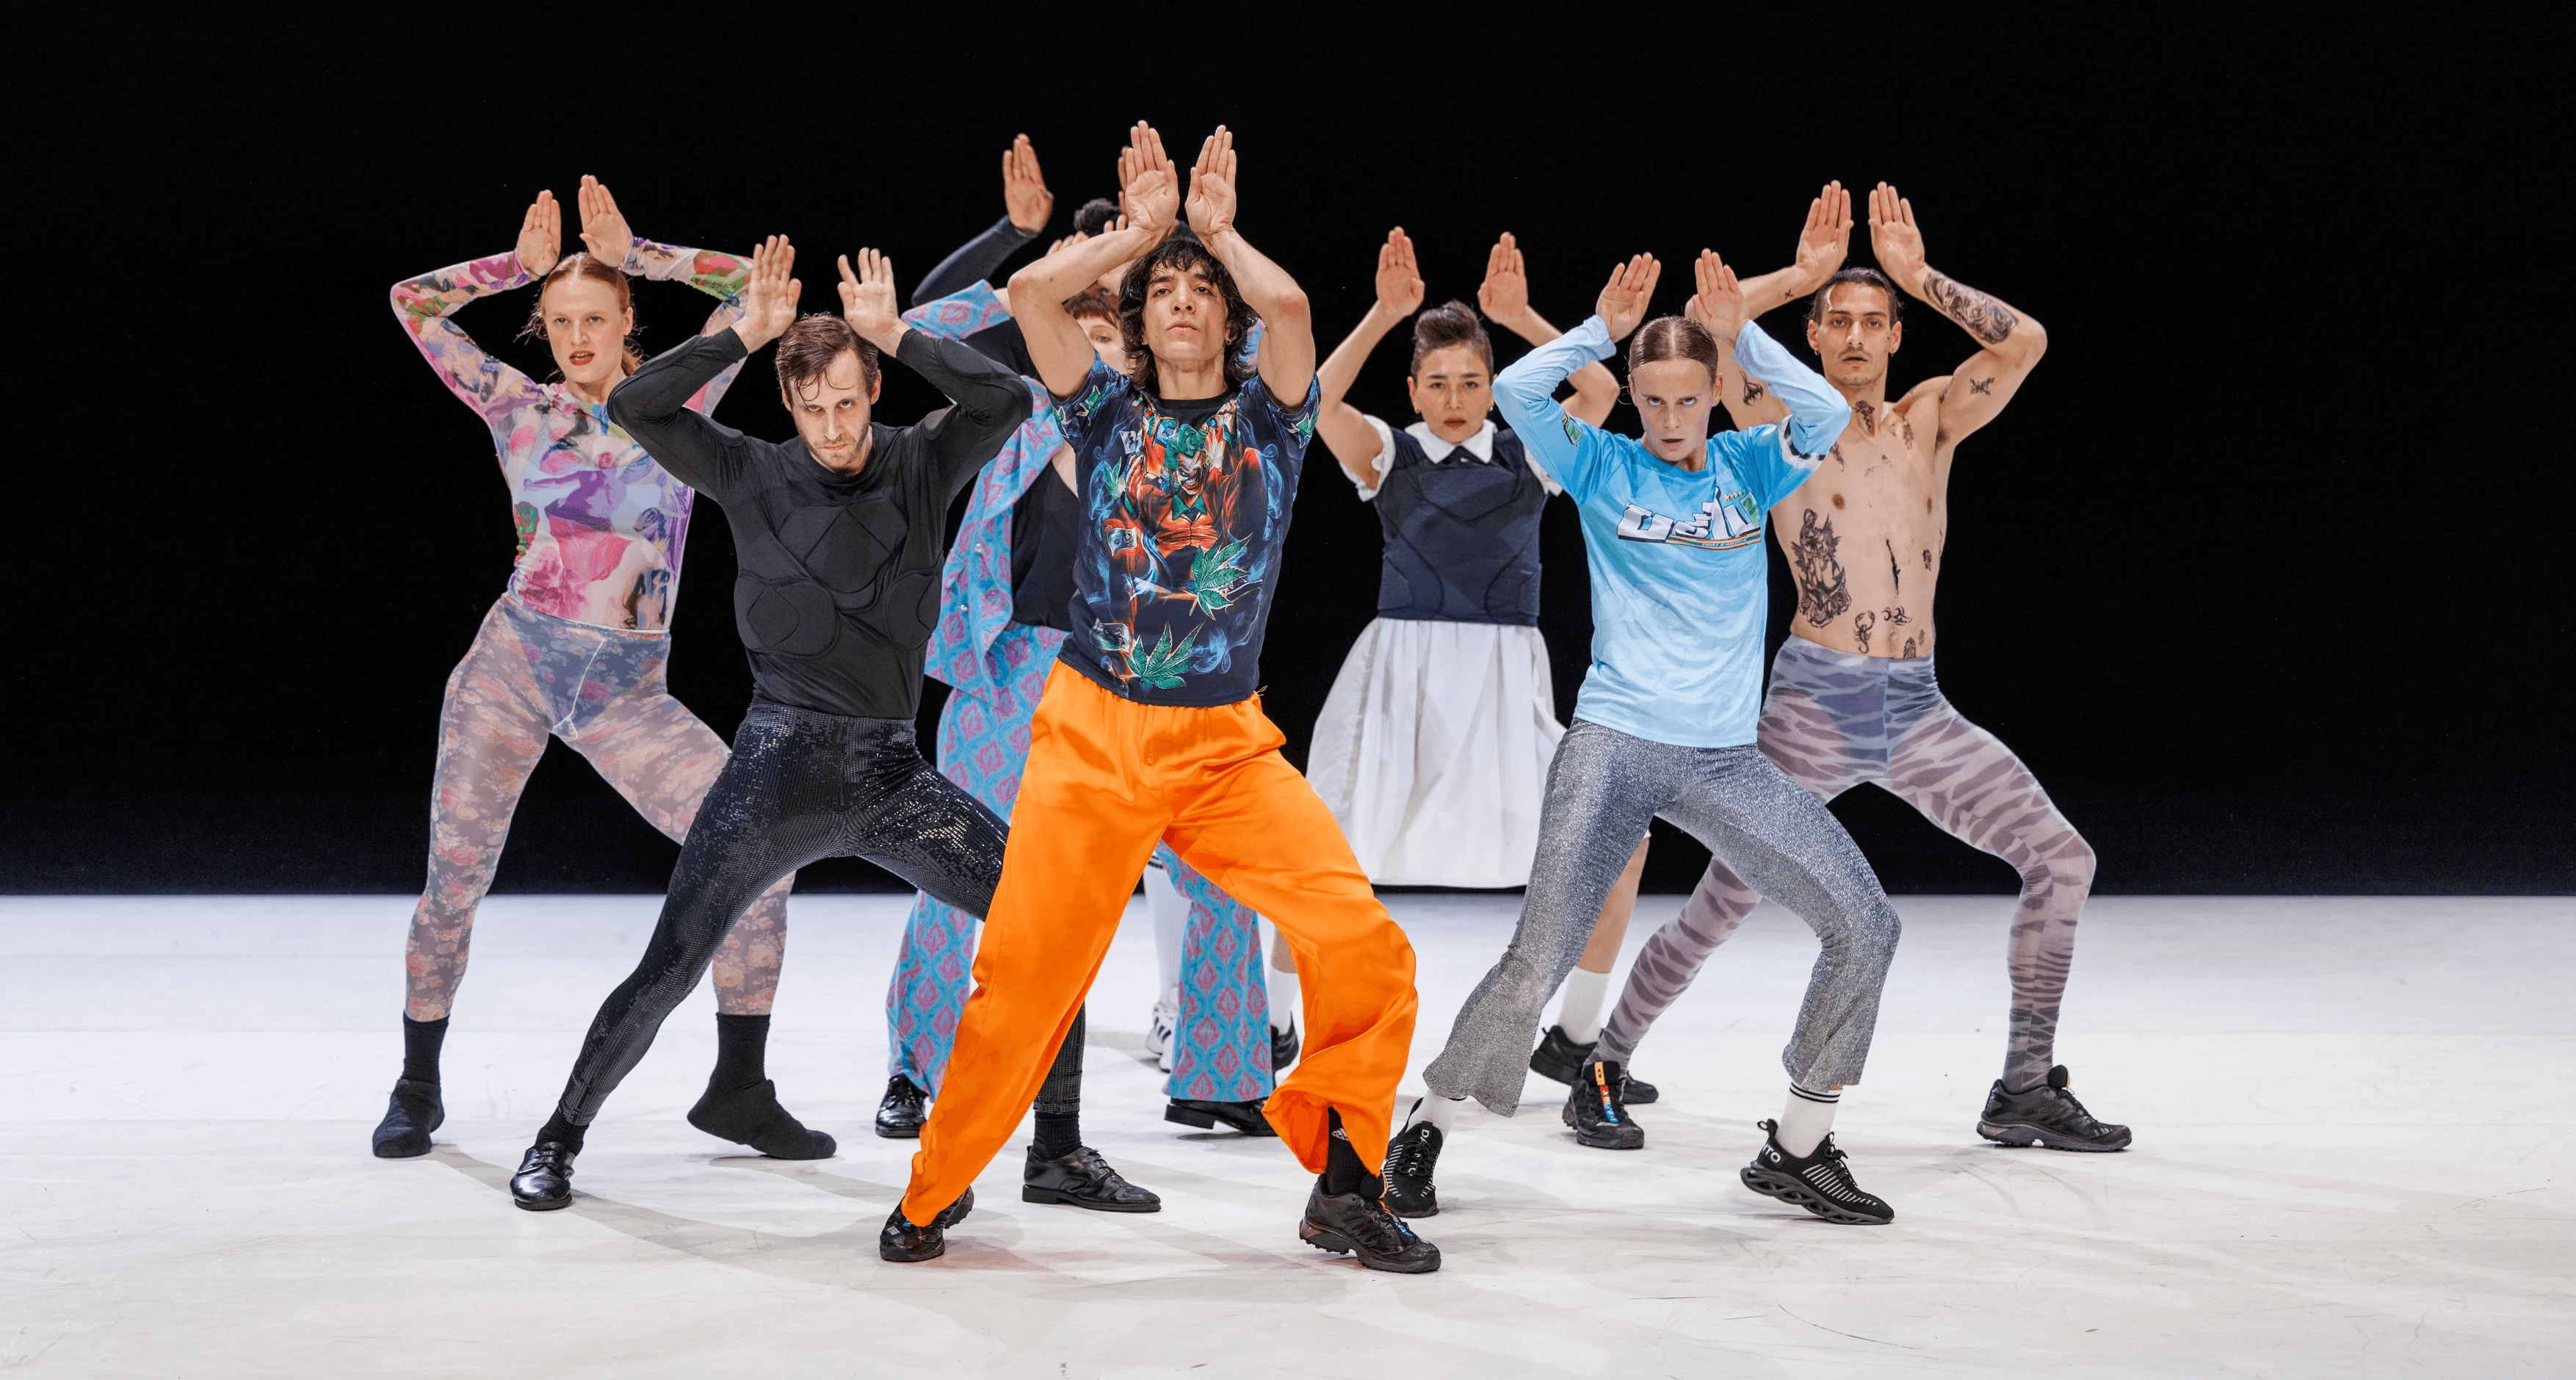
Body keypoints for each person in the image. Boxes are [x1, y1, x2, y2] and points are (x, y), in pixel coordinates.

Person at [882, 125, 1436, 1274]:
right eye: (1164, 290)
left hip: (1224, 746)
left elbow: (1294, 312)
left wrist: (1217, 235)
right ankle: (933, 1188)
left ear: (1227, 317)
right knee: (1022, 981)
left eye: (1202, 291)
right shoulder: (1100, 411)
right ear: (1138, 318)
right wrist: (1136, 235)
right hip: (1091, 734)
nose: (1183, 300)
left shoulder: (1272, 422)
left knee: (1363, 942)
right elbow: (1032, 296)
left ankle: (1347, 1185)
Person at [504, 239, 1038, 1210]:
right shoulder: (750, 470)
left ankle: (1020, 1147)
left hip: (892, 777)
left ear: (872, 389)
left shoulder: (923, 461)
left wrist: (899, 333)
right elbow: (635, 406)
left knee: (1042, 922)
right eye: (812, 407)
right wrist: (741, 335)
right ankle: (557, 1137)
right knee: (669, 966)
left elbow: (1006, 400)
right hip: (773, 771)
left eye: (848, 402)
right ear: (788, 402)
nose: (834, 428)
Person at [1598, 183, 2129, 1152]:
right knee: (1725, 899)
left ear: (1894, 336)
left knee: (2063, 859)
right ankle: (1603, 1054)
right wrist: (1799, 274)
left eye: (1871, 321)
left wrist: (1918, 276)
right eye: (1835, 320)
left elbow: (2025, 343)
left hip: (1917, 707)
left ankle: (2022, 1086)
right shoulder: (1778, 421)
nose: (1852, 336)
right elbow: (1703, 333)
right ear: (1811, 336)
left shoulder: (1930, 417)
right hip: (1814, 703)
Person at [1389, 249, 1910, 1229]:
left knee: (1866, 923)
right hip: (1614, 743)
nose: (1672, 419)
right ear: (1631, 396)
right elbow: (1517, 390)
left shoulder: (1749, 462)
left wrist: (1742, 336)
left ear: (1715, 393)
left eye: (1689, 398)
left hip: (1725, 760)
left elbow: (1824, 412)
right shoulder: (1600, 462)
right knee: (1537, 956)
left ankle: (1799, 1144)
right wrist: (1596, 331)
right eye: (1654, 399)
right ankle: (1428, 1122)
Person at [379, 179, 799, 1161]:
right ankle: (416, 1082)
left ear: (625, 322)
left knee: (763, 852)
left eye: (594, 317)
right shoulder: (517, 408)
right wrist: (511, 268)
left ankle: (740, 1086)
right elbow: (412, 302)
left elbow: (757, 287)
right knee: (453, 883)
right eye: (560, 319)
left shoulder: (681, 398)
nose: (576, 336)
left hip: (626, 694)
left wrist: (636, 249)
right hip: (512, 669)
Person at [878, 220, 1276, 1158]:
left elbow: (1258, 334)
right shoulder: (1012, 414)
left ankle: (1219, 1078)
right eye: (1076, 336)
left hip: (1149, 677)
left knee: (1221, 867)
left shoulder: (1177, 433)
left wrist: (1159, 253)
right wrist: (1054, 254)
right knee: (958, 866)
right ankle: (919, 1070)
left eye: (1109, 341)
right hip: (1014, 670)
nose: (1090, 358)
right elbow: (925, 325)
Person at [1303, 227, 1662, 1103]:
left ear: (1493, 386)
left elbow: (1598, 388)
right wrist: (1382, 313)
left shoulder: (1527, 450)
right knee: (1315, 851)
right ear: (1412, 389)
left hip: (1504, 684)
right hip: (1402, 680)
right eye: (1437, 382)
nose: (1455, 398)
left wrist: (1523, 318)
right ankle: (1280, 1025)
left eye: (1471, 381)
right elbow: (1312, 400)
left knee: (1620, 842)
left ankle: (1576, 1040)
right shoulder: (1387, 452)